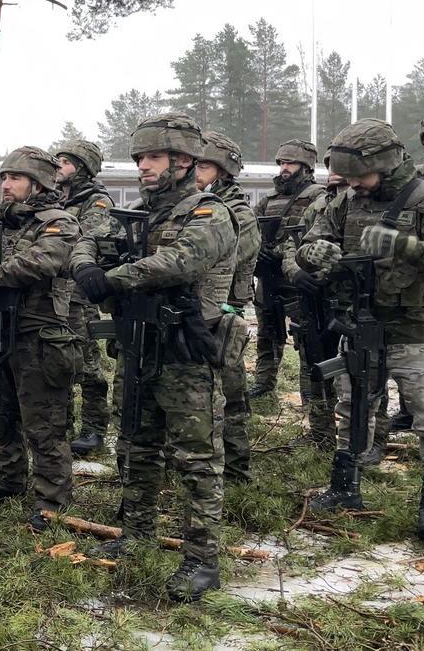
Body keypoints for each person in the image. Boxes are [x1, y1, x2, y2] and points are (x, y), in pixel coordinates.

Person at [70, 112, 238, 601]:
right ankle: (137, 534)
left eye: (153, 157)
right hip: (139, 346)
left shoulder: (209, 213)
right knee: (136, 447)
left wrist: (114, 278)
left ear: (183, 162)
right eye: (139, 157)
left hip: (187, 354)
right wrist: (86, 267)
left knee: (197, 460)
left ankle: (202, 559)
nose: (142, 166)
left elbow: (182, 260)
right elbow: (86, 239)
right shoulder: (135, 213)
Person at [292, 119, 424, 542]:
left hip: (416, 331)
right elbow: (311, 241)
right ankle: (345, 487)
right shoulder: (346, 200)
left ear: (385, 164)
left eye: (359, 175)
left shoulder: (422, 197)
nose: (352, 183)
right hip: (360, 324)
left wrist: (403, 246)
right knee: (352, 411)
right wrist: (314, 253)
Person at [0, 146, 81, 530]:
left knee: (43, 420)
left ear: (38, 183)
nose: (6, 185)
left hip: (39, 335)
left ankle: (52, 498)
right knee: (2, 411)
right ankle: (9, 479)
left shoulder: (58, 221)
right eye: (4, 177)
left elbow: (42, 261)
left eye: (16, 178)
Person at [195, 131, 259, 484]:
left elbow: (231, 260)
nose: (196, 170)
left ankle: (236, 469)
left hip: (224, 313)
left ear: (223, 170)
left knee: (230, 393)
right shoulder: (190, 205)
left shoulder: (237, 214)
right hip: (196, 313)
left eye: (204, 165)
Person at [250, 140, 330, 409]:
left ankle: (309, 393)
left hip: (298, 279)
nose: (284, 168)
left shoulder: (319, 196)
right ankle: (264, 382)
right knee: (267, 334)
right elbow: (251, 233)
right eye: (282, 163)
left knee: (306, 339)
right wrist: (259, 252)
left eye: (290, 163)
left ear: (306, 167)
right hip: (269, 279)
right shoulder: (268, 200)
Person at [50, 140, 115, 458]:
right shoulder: (54, 200)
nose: (57, 165)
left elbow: (84, 240)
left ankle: (94, 427)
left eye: (65, 161)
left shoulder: (97, 201)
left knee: (88, 364)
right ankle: (62, 423)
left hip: (78, 295)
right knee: (57, 363)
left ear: (83, 167)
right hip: (51, 294)